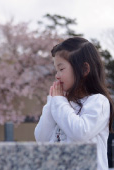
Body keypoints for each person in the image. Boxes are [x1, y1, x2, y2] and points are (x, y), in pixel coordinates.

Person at [34, 37, 114, 170]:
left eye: (61, 69)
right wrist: (53, 101)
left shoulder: (98, 101)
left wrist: (59, 101)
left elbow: (80, 132)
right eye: (56, 70)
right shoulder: (62, 104)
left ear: (84, 69)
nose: (57, 76)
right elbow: (42, 138)